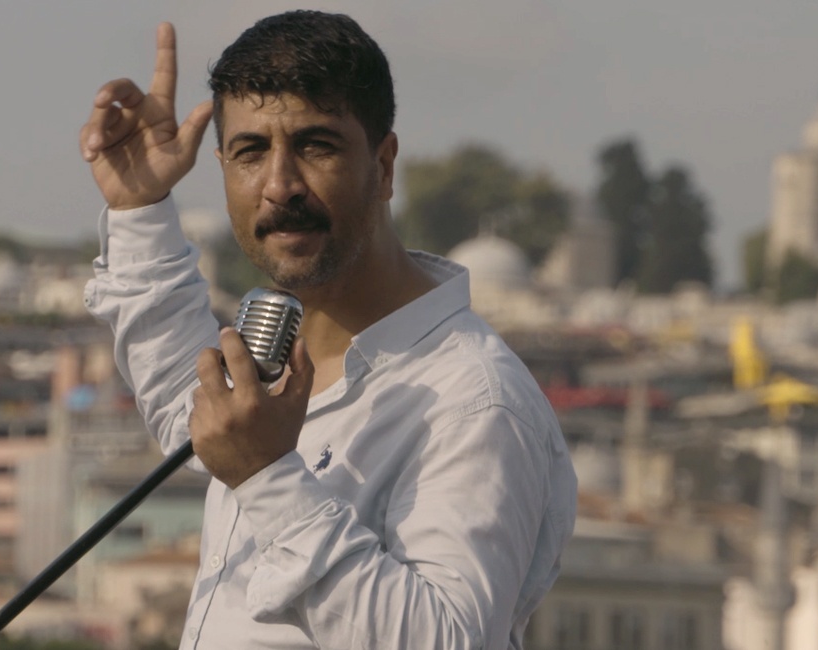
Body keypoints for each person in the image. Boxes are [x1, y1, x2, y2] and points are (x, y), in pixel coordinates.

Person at [80, 11, 575, 649]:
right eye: (250, 152)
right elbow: (190, 405)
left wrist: (267, 477)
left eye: (316, 146)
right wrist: (140, 210)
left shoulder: (474, 399)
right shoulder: (279, 362)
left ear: (384, 166)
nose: (280, 186)